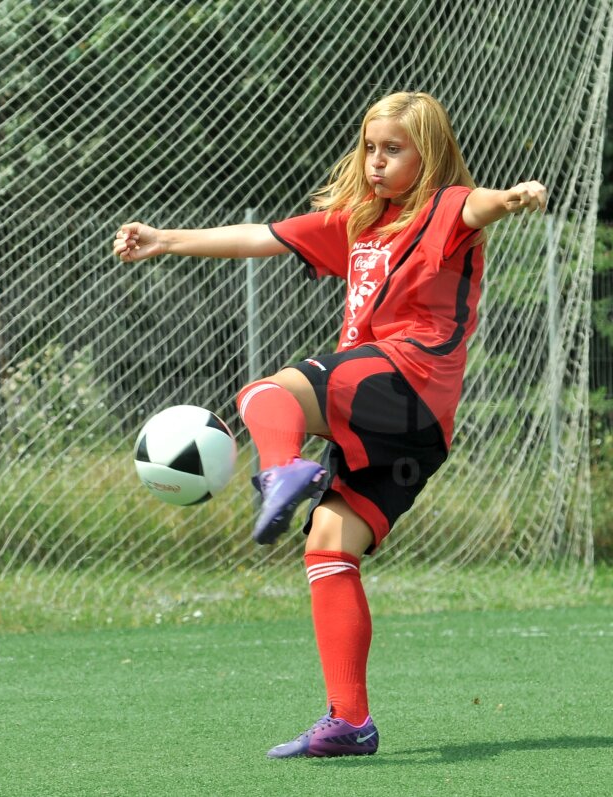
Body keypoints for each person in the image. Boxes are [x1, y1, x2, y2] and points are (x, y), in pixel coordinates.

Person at [111, 91, 547, 758]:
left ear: (427, 154)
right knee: (327, 546)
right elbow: (262, 237)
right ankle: (350, 721)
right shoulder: (357, 223)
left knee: (266, 393)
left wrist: (513, 197)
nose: (375, 161)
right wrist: (165, 240)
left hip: (406, 376)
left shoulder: (444, 209)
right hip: (421, 432)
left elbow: (477, 203)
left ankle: (282, 467)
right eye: (370, 147)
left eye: (392, 149)